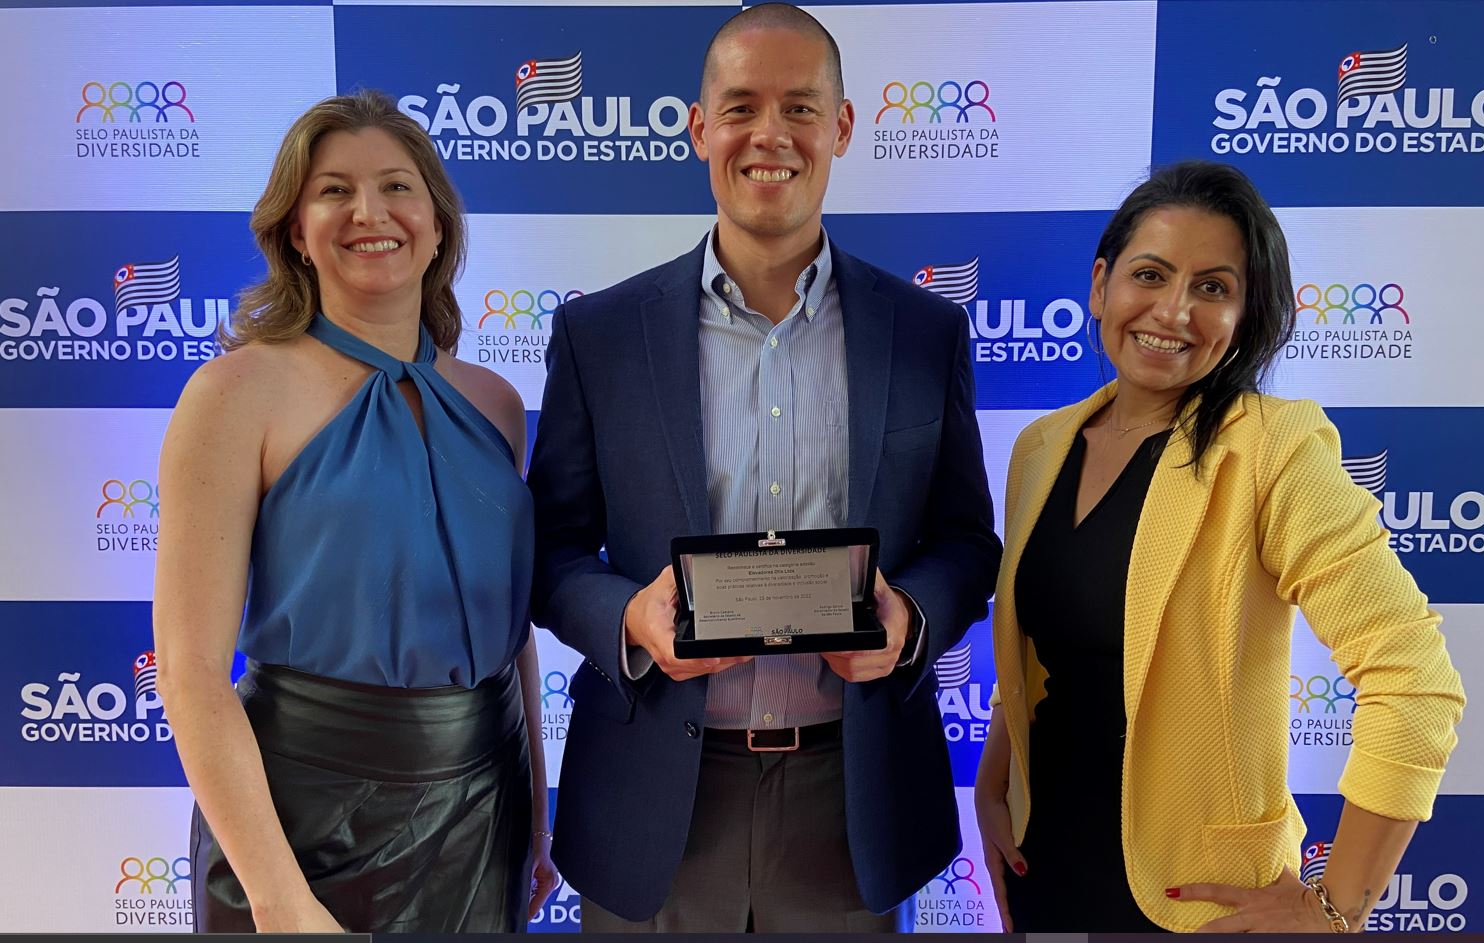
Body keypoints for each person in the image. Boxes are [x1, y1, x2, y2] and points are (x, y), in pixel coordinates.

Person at [527, 3, 1001, 932]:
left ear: (843, 127)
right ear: (699, 129)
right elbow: (547, 549)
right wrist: (626, 613)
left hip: (852, 800)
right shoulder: (601, 336)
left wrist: (910, 620)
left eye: (800, 107)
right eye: (740, 107)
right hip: (653, 798)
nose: (770, 135)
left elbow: (965, 543)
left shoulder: (924, 332)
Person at [975, 160, 1466, 932]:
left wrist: (1334, 907)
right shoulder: (1041, 446)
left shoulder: (1272, 448)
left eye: (1212, 287)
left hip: (1198, 901)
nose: (1172, 311)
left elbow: (1416, 682)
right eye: (1149, 274)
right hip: (1044, 865)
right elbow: (1044, 641)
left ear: (1245, 317)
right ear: (1101, 284)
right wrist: (992, 780)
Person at [153, 90, 557, 933]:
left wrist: (538, 814)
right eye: (334, 190)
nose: (369, 212)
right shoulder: (233, 395)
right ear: (295, 230)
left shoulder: (496, 402)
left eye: (397, 186)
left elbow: (509, 629)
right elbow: (190, 671)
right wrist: (277, 895)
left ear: (438, 224)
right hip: (299, 819)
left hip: (485, 812)